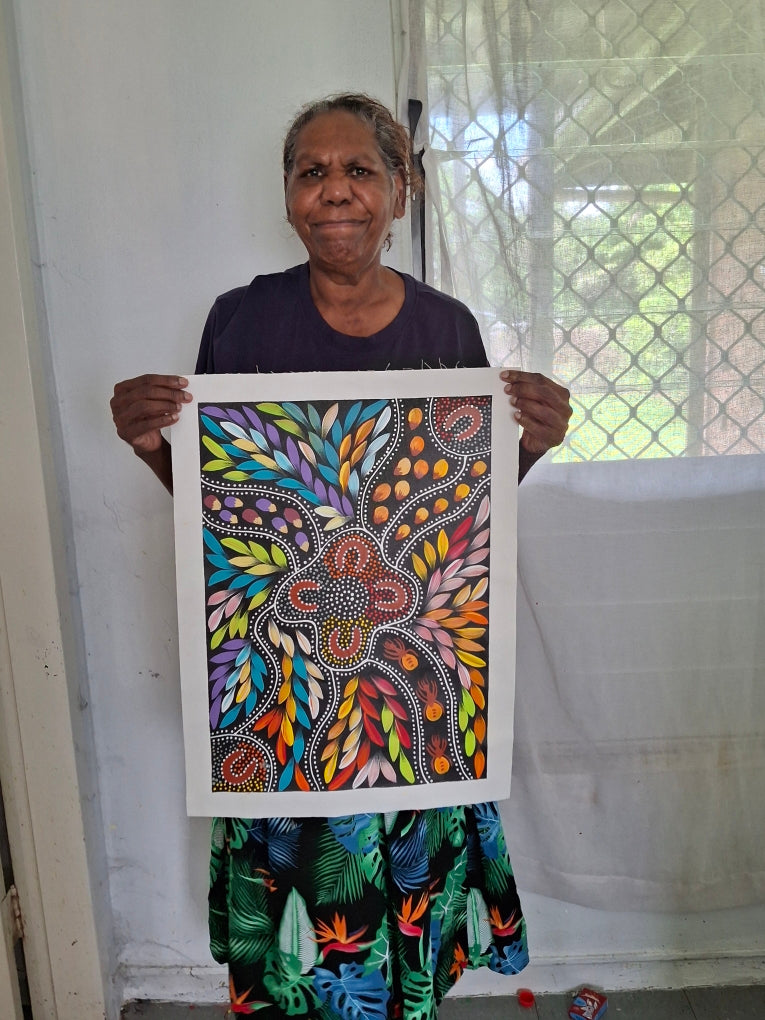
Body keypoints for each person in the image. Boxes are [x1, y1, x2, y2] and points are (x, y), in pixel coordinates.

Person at [111, 94, 571, 1019]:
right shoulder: (240, 322)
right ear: (286, 194)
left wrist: (530, 445)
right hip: (288, 699)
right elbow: (224, 517)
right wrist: (155, 449)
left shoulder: (446, 330)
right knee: (293, 945)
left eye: (359, 171)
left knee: (393, 926)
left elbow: (461, 523)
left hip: (403, 697)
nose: (335, 192)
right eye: (310, 172)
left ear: (399, 193)